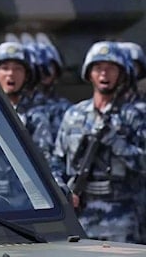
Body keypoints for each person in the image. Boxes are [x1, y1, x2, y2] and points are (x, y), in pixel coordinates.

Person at [51, 41, 146, 243]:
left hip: (123, 217)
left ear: (122, 73)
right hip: (78, 217)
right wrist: (63, 191)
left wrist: (116, 142)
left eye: (111, 68)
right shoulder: (74, 115)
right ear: (89, 73)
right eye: (98, 68)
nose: (104, 74)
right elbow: (56, 161)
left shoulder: (135, 116)